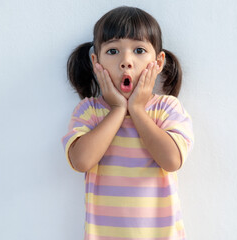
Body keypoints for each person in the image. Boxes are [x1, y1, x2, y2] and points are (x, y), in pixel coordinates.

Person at [62, 6, 194, 239]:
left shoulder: (166, 109)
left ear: (158, 62)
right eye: (113, 51)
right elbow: (81, 160)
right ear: (96, 61)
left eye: (139, 50)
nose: (126, 61)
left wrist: (136, 109)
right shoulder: (89, 111)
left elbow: (172, 160)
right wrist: (117, 110)